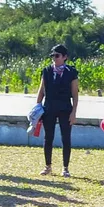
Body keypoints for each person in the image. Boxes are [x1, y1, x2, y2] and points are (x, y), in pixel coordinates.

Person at [36, 44, 79, 177]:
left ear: (65, 57)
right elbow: (41, 90)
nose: (54, 58)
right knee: (48, 137)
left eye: (57, 56)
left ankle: (65, 168)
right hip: (49, 107)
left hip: (65, 108)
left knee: (65, 138)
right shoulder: (47, 71)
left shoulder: (71, 72)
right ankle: (47, 166)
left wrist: (74, 112)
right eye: (52, 56)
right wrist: (37, 108)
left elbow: (75, 94)